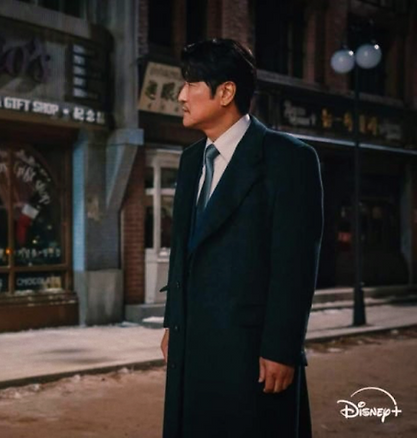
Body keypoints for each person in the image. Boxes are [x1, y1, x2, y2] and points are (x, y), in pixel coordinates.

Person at [160, 38, 323, 437]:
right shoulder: (191, 160)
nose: (181, 96)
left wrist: (282, 348)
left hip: (251, 353)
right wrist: (172, 324)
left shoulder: (287, 159)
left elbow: (295, 265)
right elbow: (183, 251)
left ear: (226, 92)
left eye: (191, 84)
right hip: (192, 345)